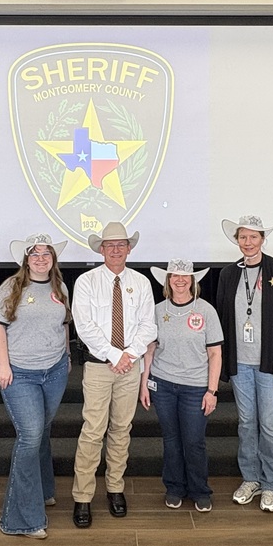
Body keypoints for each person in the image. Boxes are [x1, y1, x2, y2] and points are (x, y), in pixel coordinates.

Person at [70, 221, 156, 528]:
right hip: (98, 366)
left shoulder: (141, 282)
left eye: (121, 245)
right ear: (101, 250)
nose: (116, 250)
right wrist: (115, 355)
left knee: (121, 429)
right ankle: (82, 496)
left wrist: (129, 355)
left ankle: (115, 488)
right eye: (110, 246)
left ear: (129, 249)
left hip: (129, 367)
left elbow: (149, 326)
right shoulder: (86, 281)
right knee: (93, 430)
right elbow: (85, 326)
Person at [0, 233, 71, 540]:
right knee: (31, 436)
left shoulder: (59, 287)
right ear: (26, 259)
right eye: (34, 254)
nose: (40, 258)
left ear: (52, 259)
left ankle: (44, 490)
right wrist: (3, 364)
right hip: (20, 373)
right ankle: (20, 519)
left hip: (55, 371)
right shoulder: (11, 287)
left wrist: (66, 355)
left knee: (43, 432)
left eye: (45, 254)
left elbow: (63, 324)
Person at [215, 215, 273, 514]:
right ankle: (250, 479)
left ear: (263, 239)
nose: (248, 243)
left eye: (253, 237)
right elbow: (222, 320)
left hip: (271, 365)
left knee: (270, 426)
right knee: (247, 424)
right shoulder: (227, 274)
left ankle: (271, 485)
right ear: (236, 240)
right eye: (242, 238)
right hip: (240, 363)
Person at [139, 259, 223, 512]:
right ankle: (174, 488)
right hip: (162, 385)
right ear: (167, 281)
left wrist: (212, 391)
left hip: (196, 387)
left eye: (185, 276)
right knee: (171, 440)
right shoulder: (156, 310)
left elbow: (215, 354)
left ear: (193, 280)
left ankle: (199, 490)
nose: (179, 280)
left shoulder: (206, 310)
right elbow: (149, 351)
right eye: (174, 276)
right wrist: (144, 384)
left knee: (194, 441)